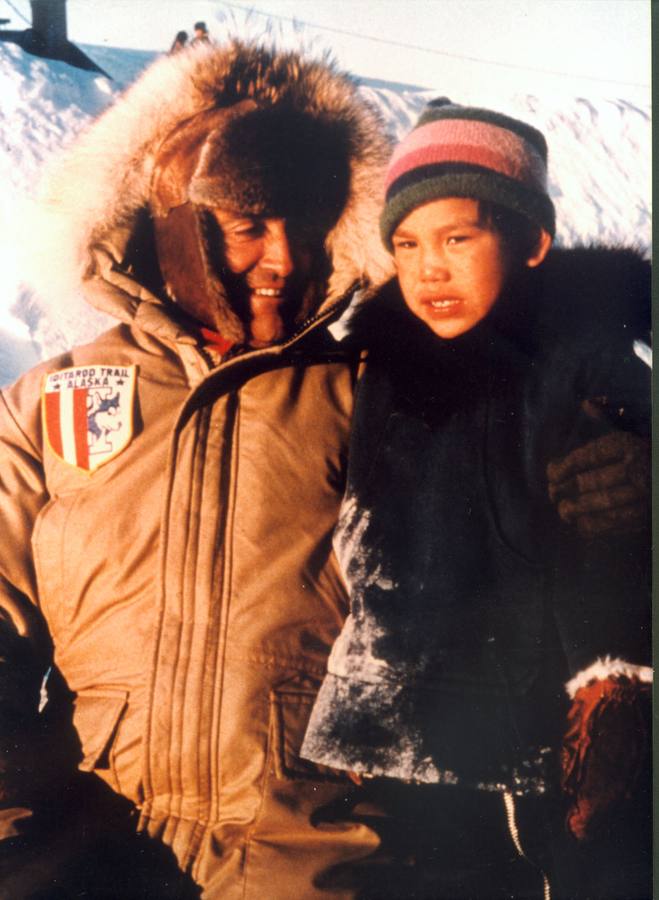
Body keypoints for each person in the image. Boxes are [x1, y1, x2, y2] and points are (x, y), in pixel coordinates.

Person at [0, 46, 646, 896]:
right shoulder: (55, 402)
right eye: (247, 225)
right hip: (91, 851)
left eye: (306, 226)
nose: (284, 258)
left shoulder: (385, 386)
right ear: (168, 220)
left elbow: (528, 374)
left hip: (320, 868)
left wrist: (633, 473)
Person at [301, 103, 651, 899]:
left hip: (541, 739)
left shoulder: (585, 353)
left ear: (530, 242)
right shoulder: (384, 373)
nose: (429, 269)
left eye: (458, 239)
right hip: (402, 736)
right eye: (407, 244)